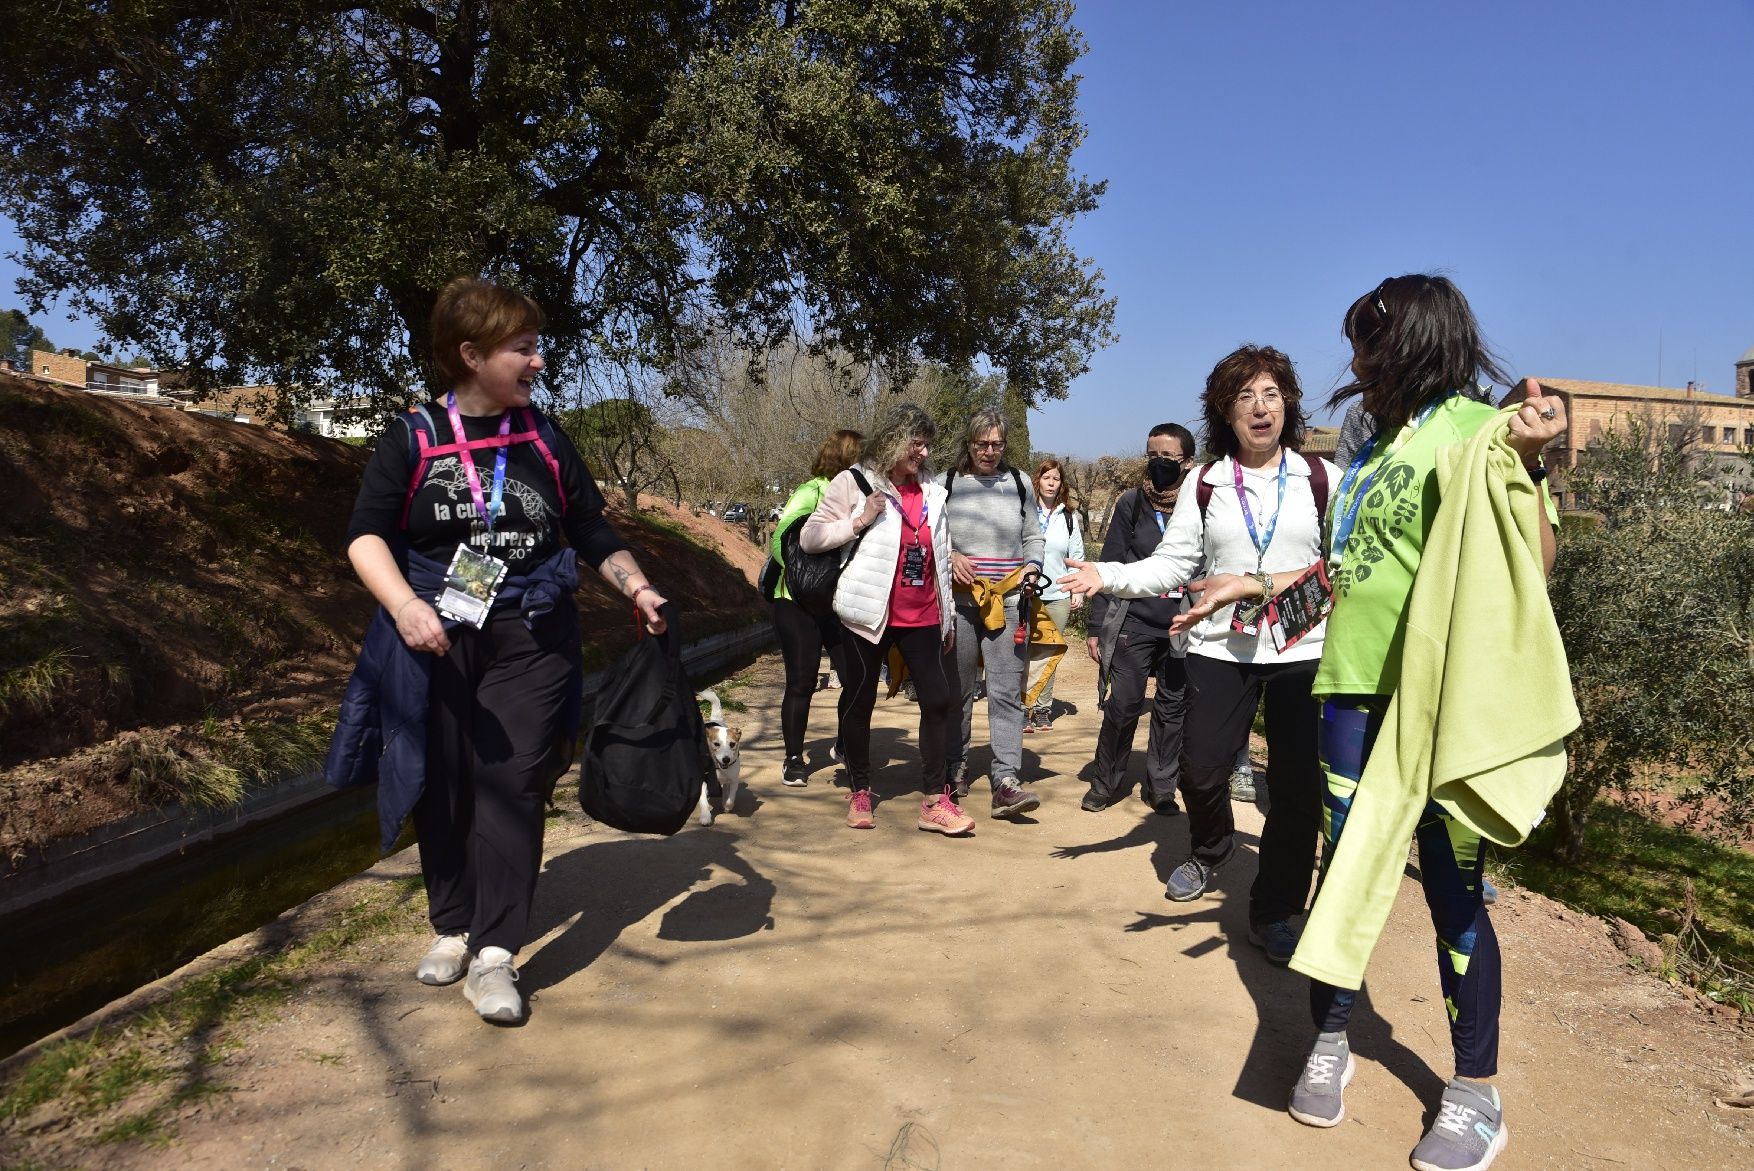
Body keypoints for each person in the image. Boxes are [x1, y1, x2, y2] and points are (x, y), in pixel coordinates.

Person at [1175, 276, 1569, 1171]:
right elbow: (1348, 570)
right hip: (1347, 692)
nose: (1352, 363)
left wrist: (1535, 462)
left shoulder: (1478, 429)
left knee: (1452, 890)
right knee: (1344, 869)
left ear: (1411, 342)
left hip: (1432, 705)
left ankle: (1474, 1090)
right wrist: (1257, 585)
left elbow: (1534, 560)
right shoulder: (1376, 449)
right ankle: (1332, 1036)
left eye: (1365, 343)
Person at [334, 277, 667, 1024]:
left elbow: (590, 530)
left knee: (512, 780)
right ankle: (451, 923)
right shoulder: (412, 436)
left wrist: (636, 586)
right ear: (472, 354)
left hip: (533, 637)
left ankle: (494, 953)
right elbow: (365, 536)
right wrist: (404, 605)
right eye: (523, 348)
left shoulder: (545, 438)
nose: (538, 361)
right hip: (434, 636)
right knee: (445, 783)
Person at [1062, 349, 1336, 969]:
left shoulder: (1324, 479)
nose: (1259, 407)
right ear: (1225, 413)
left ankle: (1274, 909)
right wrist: (1105, 575)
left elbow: (1341, 565)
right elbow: (1175, 563)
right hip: (1219, 644)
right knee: (1202, 770)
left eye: (1270, 393)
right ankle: (1211, 850)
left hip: (1304, 649)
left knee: (1295, 788)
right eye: (1244, 397)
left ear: (1288, 402)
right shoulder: (1206, 482)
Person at [800, 403, 972, 835]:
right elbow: (811, 537)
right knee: (860, 702)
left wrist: (947, 615)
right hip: (865, 614)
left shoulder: (932, 489)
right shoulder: (854, 481)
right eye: (917, 442)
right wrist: (860, 519)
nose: (923, 451)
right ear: (894, 438)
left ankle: (935, 800)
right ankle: (861, 789)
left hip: (924, 614)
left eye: (927, 444)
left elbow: (938, 554)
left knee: (937, 699)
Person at [1076, 423, 1197, 815]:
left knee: (1172, 709)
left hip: (1182, 626)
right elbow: (1108, 566)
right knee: (1124, 706)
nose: (1158, 465)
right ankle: (1105, 781)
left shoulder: (1200, 506)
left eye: (1168, 458)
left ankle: (1161, 786)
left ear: (1188, 462)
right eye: (1152, 457)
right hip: (1135, 622)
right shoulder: (1132, 503)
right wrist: (1096, 627)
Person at [939, 409, 1046, 817]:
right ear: (968, 442)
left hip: (1009, 603)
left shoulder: (1019, 483)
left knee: (1005, 693)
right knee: (958, 692)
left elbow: (1033, 535)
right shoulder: (946, 483)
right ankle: (955, 765)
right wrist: (949, 556)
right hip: (959, 605)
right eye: (981, 443)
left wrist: (1033, 566)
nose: (989, 451)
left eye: (997, 444)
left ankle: (1006, 779)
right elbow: (927, 534)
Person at [768, 430, 861, 785]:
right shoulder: (813, 490)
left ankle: (843, 743)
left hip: (837, 603)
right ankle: (793, 759)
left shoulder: (862, 497)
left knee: (854, 678)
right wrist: (807, 576)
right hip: (797, 602)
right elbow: (781, 540)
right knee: (802, 680)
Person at [1025, 456, 1086, 733]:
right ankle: (1022, 706)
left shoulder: (1069, 517)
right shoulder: (1024, 511)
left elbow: (1077, 556)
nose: (1052, 483)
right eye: (1047, 478)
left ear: (1062, 484)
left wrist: (1077, 590)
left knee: (1050, 652)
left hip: (1058, 593)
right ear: (1038, 481)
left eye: (1056, 479)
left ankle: (1042, 708)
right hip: (1027, 593)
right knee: (1023, 649)